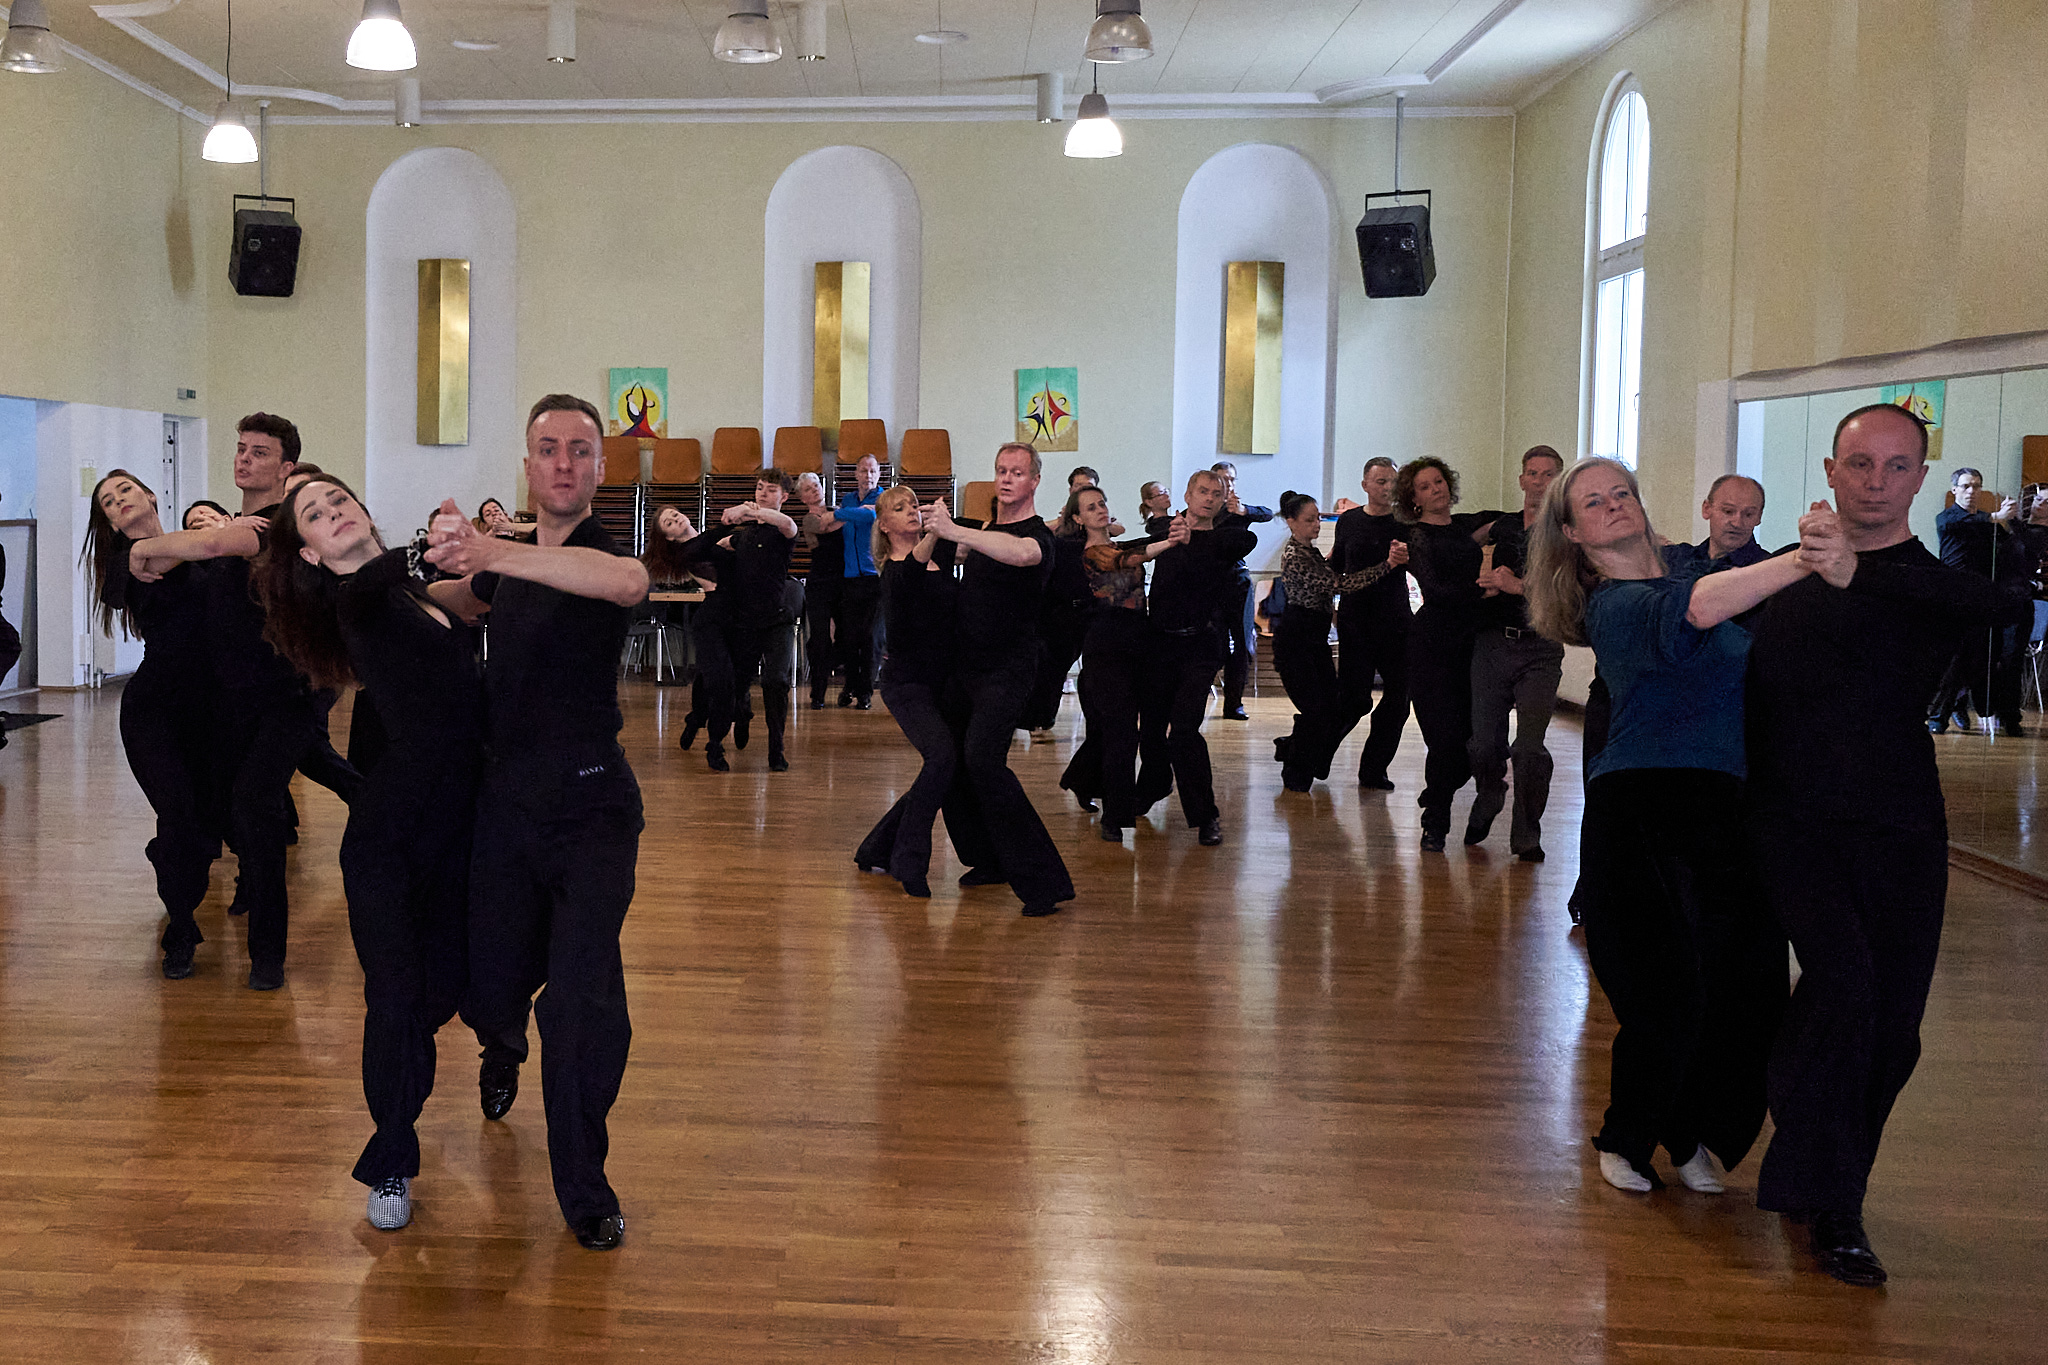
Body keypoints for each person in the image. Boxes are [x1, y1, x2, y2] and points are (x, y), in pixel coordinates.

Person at [1746, 403, 2032, 1287]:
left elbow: (2001, 603)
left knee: (1894, 1027)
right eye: (1860, 464)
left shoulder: (1928, 581)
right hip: (1790, 820)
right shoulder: (1783, 573)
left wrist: (1856, 574)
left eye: (1896, 465)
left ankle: (1817, 1164)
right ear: (1830, 471)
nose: (1876, 481)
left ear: (1921, 478)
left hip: (1900, 822)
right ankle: (1833, 1200)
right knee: (1847, 987)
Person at [1525, 455, 1821, 1202]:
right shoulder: (1615, 605)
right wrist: (1803, 556)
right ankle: (1627, 1134)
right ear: (1572, 532)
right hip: (1642, 805)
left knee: (1743, 985)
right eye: (1594, 503)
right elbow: (1695, 611)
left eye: (1621, 492)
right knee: (1665, 989)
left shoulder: (1694, 574)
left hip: (1723, 804)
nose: (1614, 505)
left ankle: (1688, 1130)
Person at [423, 392, 650, 1253]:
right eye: (548, 448)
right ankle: (500, 1042)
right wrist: (381, 580)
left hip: (592, 812)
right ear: (527, 463)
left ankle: (585, 1188)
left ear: (599, 468)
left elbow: (626, 584)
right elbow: (452, 597)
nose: (563, 462)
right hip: (505, 807)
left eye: (579, 450)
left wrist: (493, 551)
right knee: (492, 985)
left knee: (582, 1003)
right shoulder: (507, 567)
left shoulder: (602, 557)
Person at [252, 472, 488, 1234]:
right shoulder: (356, 598)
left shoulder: (413, 596)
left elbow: (468, 595)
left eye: (338, 500)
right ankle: (390, 1154)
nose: (333, 512)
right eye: (315, 515)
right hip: (389, 841)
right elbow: (387, 571)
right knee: (394, 997)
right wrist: (437, 542)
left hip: (456, 826)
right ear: (311, 554)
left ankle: (497, 1047)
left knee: (444, 987)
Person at [125, 413, 359, 989]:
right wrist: (153, 552)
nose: (244, 458)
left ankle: (268, 955)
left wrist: (146, 547)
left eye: (259, 452)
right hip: (230, 702)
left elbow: (207, 543)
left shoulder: (281, 527)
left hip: (287, 698)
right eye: (240, 449)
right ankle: (194, 927)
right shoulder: (234, 527)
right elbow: (194, 551)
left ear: (285, 468)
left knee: (257, 806)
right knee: (227, 813)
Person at [82, 469, 231, 977]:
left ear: (149, 495)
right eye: (108, 501)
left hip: (209, 710)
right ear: (110, 522)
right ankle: (181, 928)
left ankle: (168, 863)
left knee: (202, 830)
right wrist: (227, 531)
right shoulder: (130, 561)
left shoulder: (192, 545)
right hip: (153, 711)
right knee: (179, 816)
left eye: (125, 490)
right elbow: (201, 548)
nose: (119, 501)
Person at [922, 443, 1076, 917]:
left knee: (984, 761)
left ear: (1034, 481)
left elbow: (1023, 554)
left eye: (1017, 472)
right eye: (1001, 470)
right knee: (949, 760)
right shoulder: (984, 532)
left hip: (1007, 670)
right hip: (964, 667)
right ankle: (987, 858)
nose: (1007, 478)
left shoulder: (1036, 536)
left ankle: (1044, 883)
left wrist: (955, 530)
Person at [1053, 485, 1181, 836]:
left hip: (1141, 639)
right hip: (1106, 644)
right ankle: (1115, 817)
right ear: (1079, 518)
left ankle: (1083, 780)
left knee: (1128, 730)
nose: (1100, 509)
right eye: (1091, 507)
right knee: (1121, 732)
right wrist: (1170, 541)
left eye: (1102, 503)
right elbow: (1128, 559)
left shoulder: (1120, 545)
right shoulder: (1090, 554)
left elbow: (1134, 550)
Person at [1140, 470, 1259, 845]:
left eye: (1216, 493)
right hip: (1161, 644)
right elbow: (1133, 547)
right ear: (1188, 496)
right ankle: (1153, 786)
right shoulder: (1166, 532)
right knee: (1151, 729)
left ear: (1223, 500)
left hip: (1201, 646)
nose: (1209, 498)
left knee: (1184, 731)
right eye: (1202, 491)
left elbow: (1235, 545)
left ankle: (1206, 816)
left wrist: (1188, 540)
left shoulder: (1228, 539)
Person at [1394, 456, 1502, 853]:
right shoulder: (1416, 536)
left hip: (1471, 644)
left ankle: (1436, 793)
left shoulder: (1462, 527)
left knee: (1473, 742)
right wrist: (1483, 589)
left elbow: (1501, 520)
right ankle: (1434, 823)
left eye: (1438, 481)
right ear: (1414, 499)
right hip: (1432, 646)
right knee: (1444, 740)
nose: (1435, 489)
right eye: (1424, 486)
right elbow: (1435, 591)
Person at [854, 486, 958, 897]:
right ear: (884, 524)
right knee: (941, 757)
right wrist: (937, 530)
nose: (912, 511)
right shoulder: (893, 571)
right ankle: (909, 861)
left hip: (944, 680)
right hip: (906, 683)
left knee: (944, 767)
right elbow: (913, 569)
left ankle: (876, 847)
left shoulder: (941, 552)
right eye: (900, 508)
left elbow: (987, 537)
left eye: (914, 504)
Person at [1464, 446, 1567, 859]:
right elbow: (1457, 545)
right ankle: (1490, 792)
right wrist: (1481, 582)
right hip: (1492, 644)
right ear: (1522, 479)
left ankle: (1526, 832)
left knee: (1528, 749)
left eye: (1548, 474)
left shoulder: (1567, 532)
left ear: (1559, 481)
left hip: (1541, 648)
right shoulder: (1502, 526)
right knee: (1482, 745)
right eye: (1532, 473)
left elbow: (1567, 592)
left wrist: (1516, 586)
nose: (1539, 482)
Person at [1270, 491, 1408, 793]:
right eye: (1309, 520)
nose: (1317, 524)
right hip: (1298, 641)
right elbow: (1341, 584)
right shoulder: (1296, 555)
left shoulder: (1310, 551)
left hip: (1314, 640)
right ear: (1291, 522)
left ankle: (1295, 752)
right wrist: (1387, 565)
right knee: (1318, 709)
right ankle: (1296, 769)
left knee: (1331, 707)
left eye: (1317, 518)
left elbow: (1330, 572)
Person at [679, 469, 801, 772]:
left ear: (784, 496)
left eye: (770, 489)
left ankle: (776, 749)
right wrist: (722, 526)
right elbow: (703, 551)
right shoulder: (743, 537)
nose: (763, 493)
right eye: (759, 487)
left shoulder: (783, 531)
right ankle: (721, 736)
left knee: (775, 681)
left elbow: (787, 523)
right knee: (733, 684)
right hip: (745, 622)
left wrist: (747, 511)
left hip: (777, 621)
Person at [1330, 457, 1413, 790]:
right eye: (1381, 481)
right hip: (1357, 620)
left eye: (1393, 481)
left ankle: (1374, 769)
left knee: (1399, 699)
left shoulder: (1406, 522)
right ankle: (1309, 753)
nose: (1388, 487)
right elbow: (1337, 564)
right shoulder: (1349, 521)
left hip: (1396, 620)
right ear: (1365, 485)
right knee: (1354, 700)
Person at [1926, 465, 2025, 734]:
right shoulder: (1947, 518)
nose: (1972, 491)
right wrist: (1995, 516)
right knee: (1954, 659)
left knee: (1980, 660)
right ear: (1955, 490)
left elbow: (2011, 548)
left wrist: (2013, 520)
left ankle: (1964, 706)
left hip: (1981, 601)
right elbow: (1960, 525)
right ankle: (1938, 718)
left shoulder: (1987, 521)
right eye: (1966, 486)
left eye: (1976, 486)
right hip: (1953, 601)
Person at [1209, 460, 1273, 721]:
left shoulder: (1240, 510)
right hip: (1211, 584)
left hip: (1238, 582)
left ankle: (1234, 703)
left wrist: (1243, 510)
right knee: (1215, 645)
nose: (1229, 484)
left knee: (1243, 644)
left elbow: (1267, 513)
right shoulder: (1205, 509)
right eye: (1223, 479)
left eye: (1232, 479)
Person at [831, 454, 885, 709]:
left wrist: (839, 514)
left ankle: (865, 692)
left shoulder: (883, 499)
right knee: (850, 638)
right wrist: (849, 512)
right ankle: (849, 686)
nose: (868, 476)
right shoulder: (849, 499)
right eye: (863, 470)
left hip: (875, 578)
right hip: (851, 578)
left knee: (871, 638)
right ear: (856, 474)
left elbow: (870, 517)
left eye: (872, 471)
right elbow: (849, 518)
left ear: (879, 474)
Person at [795, 471, 845, 709]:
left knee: (848, 635)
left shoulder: (838, 510)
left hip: (845, 581)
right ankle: (818, 693)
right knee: (820, 638)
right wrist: (857, 513)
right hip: (820, 583)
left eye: (816, 485)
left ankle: (848, 685)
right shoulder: (808, 519)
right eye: (808, 488)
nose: (814, 489)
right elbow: (828, 526)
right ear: (803, 498)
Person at [1666, 475, 1770, 569]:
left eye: (1748, 514)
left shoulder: (1766, 569)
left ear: (1759, 517)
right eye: (1728, 511)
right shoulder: (1676, 559)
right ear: (1707, 509)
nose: (1737, 523)